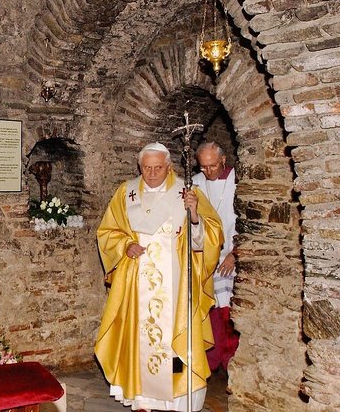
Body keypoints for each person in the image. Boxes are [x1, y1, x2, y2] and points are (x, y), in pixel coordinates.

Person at [95, 142, 223, 412]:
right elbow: (108, 231)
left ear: (168, 167)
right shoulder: (125, 193)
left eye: (157, 167)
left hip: (175, 281)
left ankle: (178, 398)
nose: (151, 173)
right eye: (146, 167)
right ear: (139, 166)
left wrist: (195, 215)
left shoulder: (188, 193)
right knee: (140, 338)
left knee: (174, 339)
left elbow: (210, 238)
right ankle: (143, 397)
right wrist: (124, 246)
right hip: (137, 280)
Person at [192, 141, 240, 373]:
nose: (208, 172)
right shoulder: (196, 183)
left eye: (212, 165)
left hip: (230, 254)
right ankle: (210, 361)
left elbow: (247, 221)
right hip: (205, 257)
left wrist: (235, 253)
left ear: (223, 160)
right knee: (208, 311)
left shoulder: (238, 181)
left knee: (228, 312)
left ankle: (230, 359)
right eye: (203, 167)